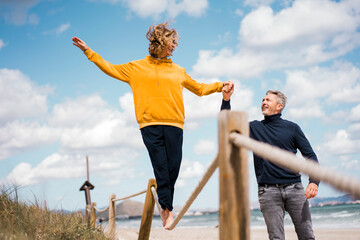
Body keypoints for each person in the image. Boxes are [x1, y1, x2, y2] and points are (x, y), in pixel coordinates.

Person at [72, 22, 233, 229]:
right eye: (171, 43)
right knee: (161, 168)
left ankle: (166, 208)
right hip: (149, 125)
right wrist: (89, 52)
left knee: (173, 168)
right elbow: (109, 68)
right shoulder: (135, 68)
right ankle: (167, 210)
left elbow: (200, 89)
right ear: (160, 42)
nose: (174, 47)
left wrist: (220, 86)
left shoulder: (178, 70)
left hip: (175, 124)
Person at [221, 87, 319, 240]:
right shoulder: (254, 128)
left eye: (268, 100)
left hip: (294, 188)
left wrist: (314, 181)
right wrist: (226, 100)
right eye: (263, 100)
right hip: (268, 192)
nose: (263, 102)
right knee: (276, 238)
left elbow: (310, 155)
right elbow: (227, 126)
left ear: (279, 106)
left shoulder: (292, 128)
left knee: (307, 236)